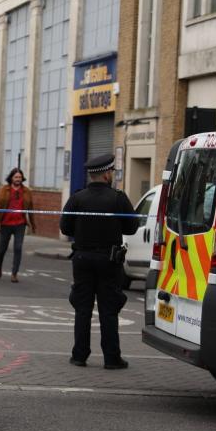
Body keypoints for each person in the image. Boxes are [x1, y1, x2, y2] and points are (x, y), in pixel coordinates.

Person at [60, 154, 139, 370]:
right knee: (109, 309)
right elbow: (131, 228)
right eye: (111, 172)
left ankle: (79, 355)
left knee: (82, 308)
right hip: (108, 260)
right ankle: (112, 358)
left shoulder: (77, 198)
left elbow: (65, 228)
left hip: (82, 259)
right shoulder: (118, 198)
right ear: (106, 174)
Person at [0, 168, 35, 283]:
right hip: (6, 223)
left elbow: (31, 209)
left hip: (20, 224)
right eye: (16, 177)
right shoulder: (4, 190)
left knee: (18, 248)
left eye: (20, 177)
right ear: (11, 178)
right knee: (2, 249)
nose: (18, 179)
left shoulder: (26, 191)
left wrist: (33, 225)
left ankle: (14, 273)